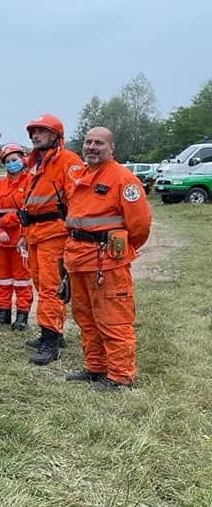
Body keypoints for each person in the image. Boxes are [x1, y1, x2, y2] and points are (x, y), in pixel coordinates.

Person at [63, 127, 152, 391]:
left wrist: (117, 250)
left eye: (99, 143)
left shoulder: (123, 180)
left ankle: (120, 377)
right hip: (79, 260)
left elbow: (140, 226)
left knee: (113, 320)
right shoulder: (80, 176)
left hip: (107, 263)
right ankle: (95, 368)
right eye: (88, 142)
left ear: (111, 148)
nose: (92, 147)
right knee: (86, 319)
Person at [17, 113, 83, 365]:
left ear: (55, 136)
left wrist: (72, 233)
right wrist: (24, 234)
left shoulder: (68, 161)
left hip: (54, 233)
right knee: (39, 283)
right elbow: (30, 202)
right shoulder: (35, 163)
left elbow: (76, 199)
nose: (35, 135)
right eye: (33, 131)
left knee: (50, 289)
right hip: (35, 233)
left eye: (41, 131)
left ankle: (50, 341)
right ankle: (55, 331)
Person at [0, 143, 33, 331]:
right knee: (2, 279)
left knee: (21, 279)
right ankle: (3, 313)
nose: (11, 164)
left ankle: (22, 316)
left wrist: (1, 223)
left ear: (23, 159)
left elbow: (25, 212)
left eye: (14, 159)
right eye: (8, 161)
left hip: (20, 239)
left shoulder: (30, 183)